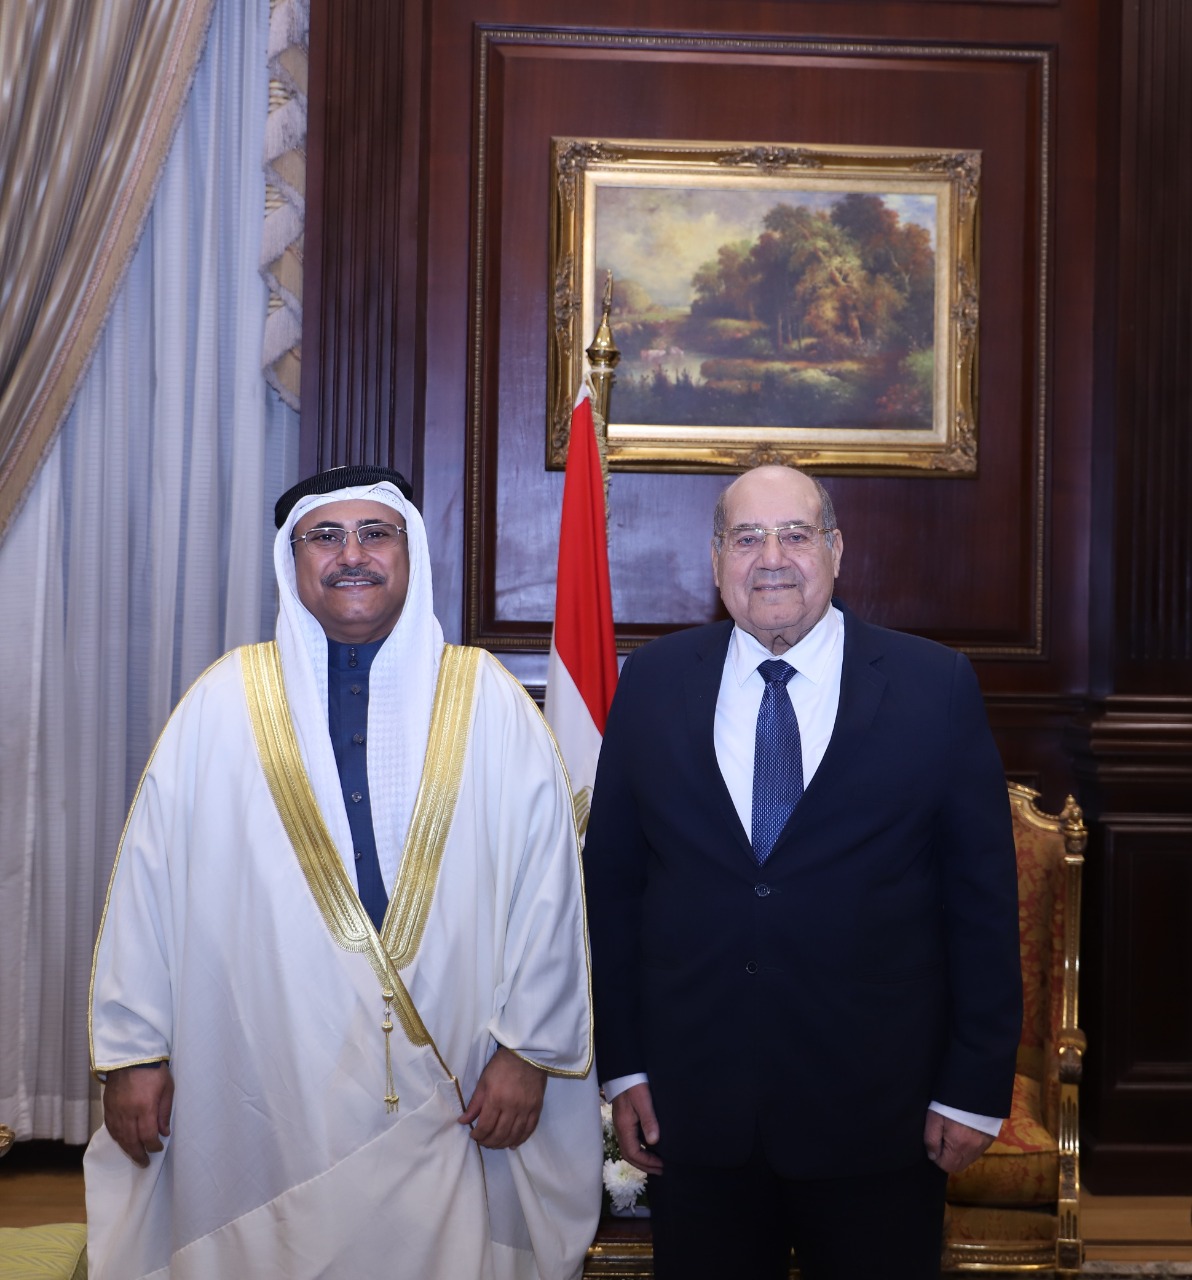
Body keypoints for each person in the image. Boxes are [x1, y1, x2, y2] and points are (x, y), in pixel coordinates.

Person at [86, 465, 602, 1280]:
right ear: (292, 562)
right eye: (324, 536)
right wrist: (133, 1053)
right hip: (267, 1070)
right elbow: (148, 887)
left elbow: (550, 888)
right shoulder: (223, 702)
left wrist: (530, 1052)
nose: (351, 554)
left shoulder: (488, 699)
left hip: (460, 1075)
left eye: (375, 533)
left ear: (410, 552)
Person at [583, 464, 1022, 1280]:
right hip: (696, 1115)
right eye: (747, 538)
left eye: (795, 535)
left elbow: (983, 905)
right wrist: (626, 1065)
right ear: (716, 559)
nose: (772, 559)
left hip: (881, 1117)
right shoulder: (651, 683)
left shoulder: (934, 687)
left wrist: (973, 1086)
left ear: (837, 550)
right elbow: (613, 890)